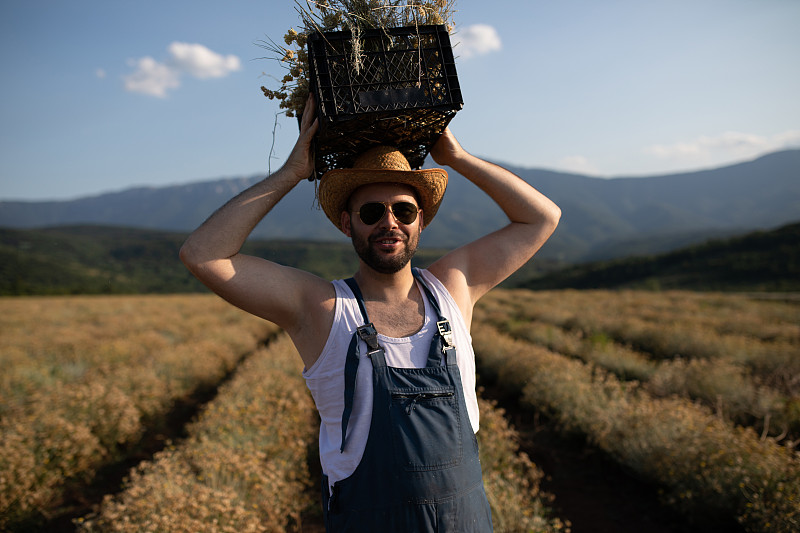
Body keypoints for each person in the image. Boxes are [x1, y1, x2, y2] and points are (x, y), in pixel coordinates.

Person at [180, 94, 561, 532]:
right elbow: (203, 254)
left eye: (404, 210)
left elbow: (541, 218)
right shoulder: (321, 307)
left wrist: (456, 157)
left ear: (422, 221)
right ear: (347, 224)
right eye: (371, 212)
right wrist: (292, 172)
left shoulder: (454, 286)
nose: (389, 222)